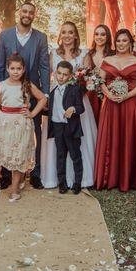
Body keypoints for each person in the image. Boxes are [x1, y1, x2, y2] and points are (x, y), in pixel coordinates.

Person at [0, 2, 49, 189]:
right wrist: (1, 93)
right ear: (19, 13)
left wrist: (46, 94)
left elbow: (43, 66)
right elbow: (0, 65)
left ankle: (34, 173)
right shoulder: (6, 35)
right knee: (7, 134)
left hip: (32, 92)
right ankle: (6, 175)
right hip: (10, 94)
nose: (27, 15)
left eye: (30, 12)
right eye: (24, 11)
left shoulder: (41, 37)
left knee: (35, 133)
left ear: (34, 15)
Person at [42, 21, 97, 189]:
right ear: (60, 35)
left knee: (77, 143)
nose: (67, 35)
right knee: (57, 144)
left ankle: (81, 179)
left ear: (75, 35)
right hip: (57, 104)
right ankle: (57, 179)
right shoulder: (53, 54)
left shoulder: (84, 54)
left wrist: (74, 101)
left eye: (70, 32)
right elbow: (46, 77)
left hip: (77, 103)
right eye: (64, 32)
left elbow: (88, 81)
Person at [0, 54, 48, 202]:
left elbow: (43, 98)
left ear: (23, 69)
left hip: (21, 124)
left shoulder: (27, 85)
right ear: (7, 68)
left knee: (19, 156)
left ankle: (14, 190)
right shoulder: (1, 86)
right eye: (12, 68)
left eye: (18, 69)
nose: (15, 72)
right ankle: (19, 180)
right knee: (10, 155)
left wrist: (33, 113)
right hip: (5, 124)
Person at [94, 29, 136, 192]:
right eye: (118, 41)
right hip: (110, 105)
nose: (121, 44)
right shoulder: (107, 60)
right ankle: (108, 178)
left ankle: (128, 178)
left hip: (130, 105)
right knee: (111, 137)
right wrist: (109, 94)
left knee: (128, 137)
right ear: (114, 43)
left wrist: (127, 96)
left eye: (124, 41)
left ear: (130, 42)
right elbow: (100, 81)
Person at [48, 60, 85, 195]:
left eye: (64, 74)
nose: (61, 77)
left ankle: (77, 183)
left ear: (70, 76)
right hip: (57, 127)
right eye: (59, 73)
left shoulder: (74, 89)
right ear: (55, 73)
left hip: (71, 127)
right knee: (60, 155)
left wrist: (73, 108)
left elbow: (81, 108)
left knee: (76, 156)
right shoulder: (51, 89)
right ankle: (62, 184)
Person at [83, 24, 114, 123]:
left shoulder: (113, 55)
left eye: (103, 34)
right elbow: (84, 75)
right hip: (91, 95)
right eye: (96, 34)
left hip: (108, 95)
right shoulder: (88, 54)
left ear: (107, 37)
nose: (99, 37)